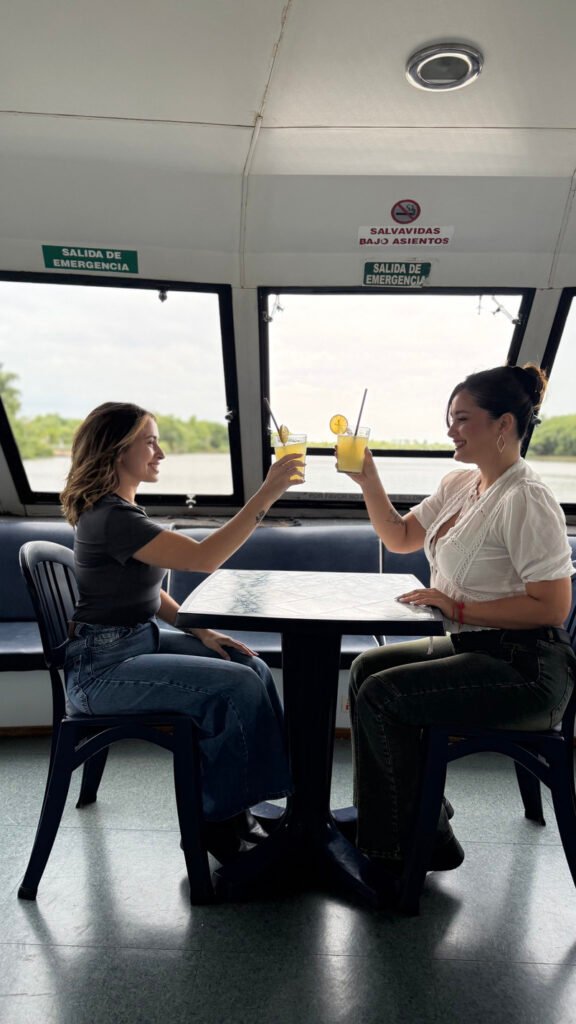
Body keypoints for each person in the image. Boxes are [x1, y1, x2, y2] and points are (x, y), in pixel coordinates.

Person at [344, 364, 576, 885]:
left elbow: (551, 607)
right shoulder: (459, 483)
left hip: (527, 667)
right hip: (477, 647)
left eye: (462, 420)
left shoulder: (527, 498)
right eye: (450, 419)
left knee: (384, 695)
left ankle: (399, 850)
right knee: (365, 671)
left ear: (504, 425)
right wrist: (370, 480)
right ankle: (413, 825)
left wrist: (457, 607)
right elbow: (401, 537)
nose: (451, 431)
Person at [61, 401, 303, 861]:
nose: (160, 453)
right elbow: (204, 558)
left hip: (134, 643)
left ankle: (253, 803)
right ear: (116, 450)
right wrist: (267, 493)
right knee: (234, 687)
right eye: (149, 441)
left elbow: (149, 593)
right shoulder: (112, 518)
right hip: (101, 669)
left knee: (247, 663)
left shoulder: (121, 511)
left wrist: (203, 631)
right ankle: (218, 822)